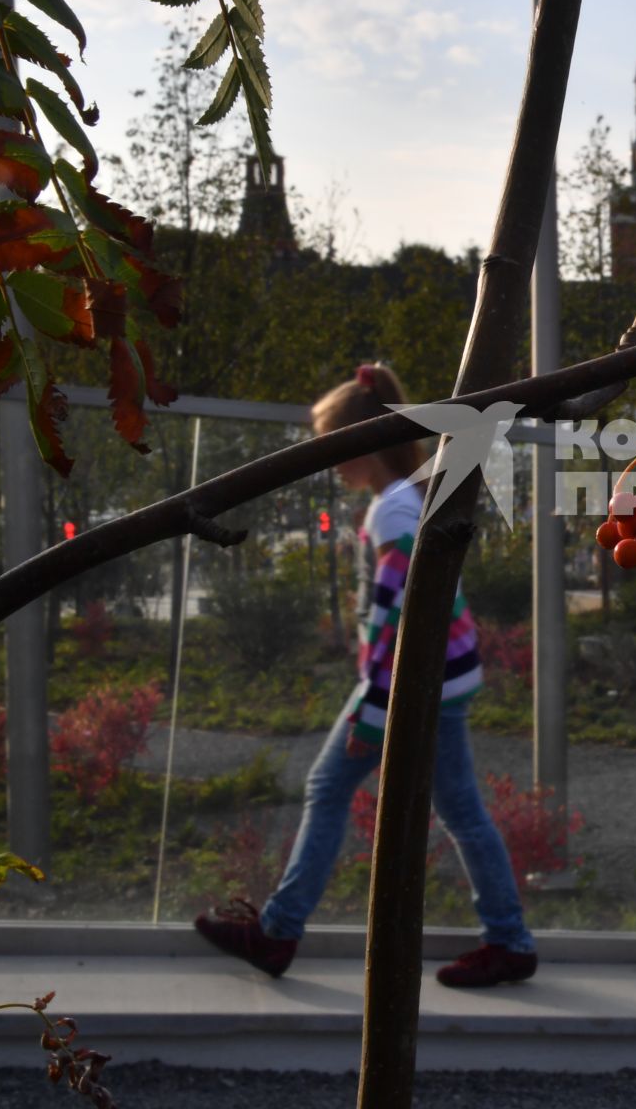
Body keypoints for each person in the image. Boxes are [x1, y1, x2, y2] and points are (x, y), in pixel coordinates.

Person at [193, 362, 538, 987]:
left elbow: (397, 619)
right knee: (459, 811)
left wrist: (373, 715)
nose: (329, 461)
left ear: (364, 441)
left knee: (331, 787)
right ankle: (509, 940)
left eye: (334, 445)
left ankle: (277, 933)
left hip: (413, 682)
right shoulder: (407, 498)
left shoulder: (394, 511)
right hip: (434, 676)